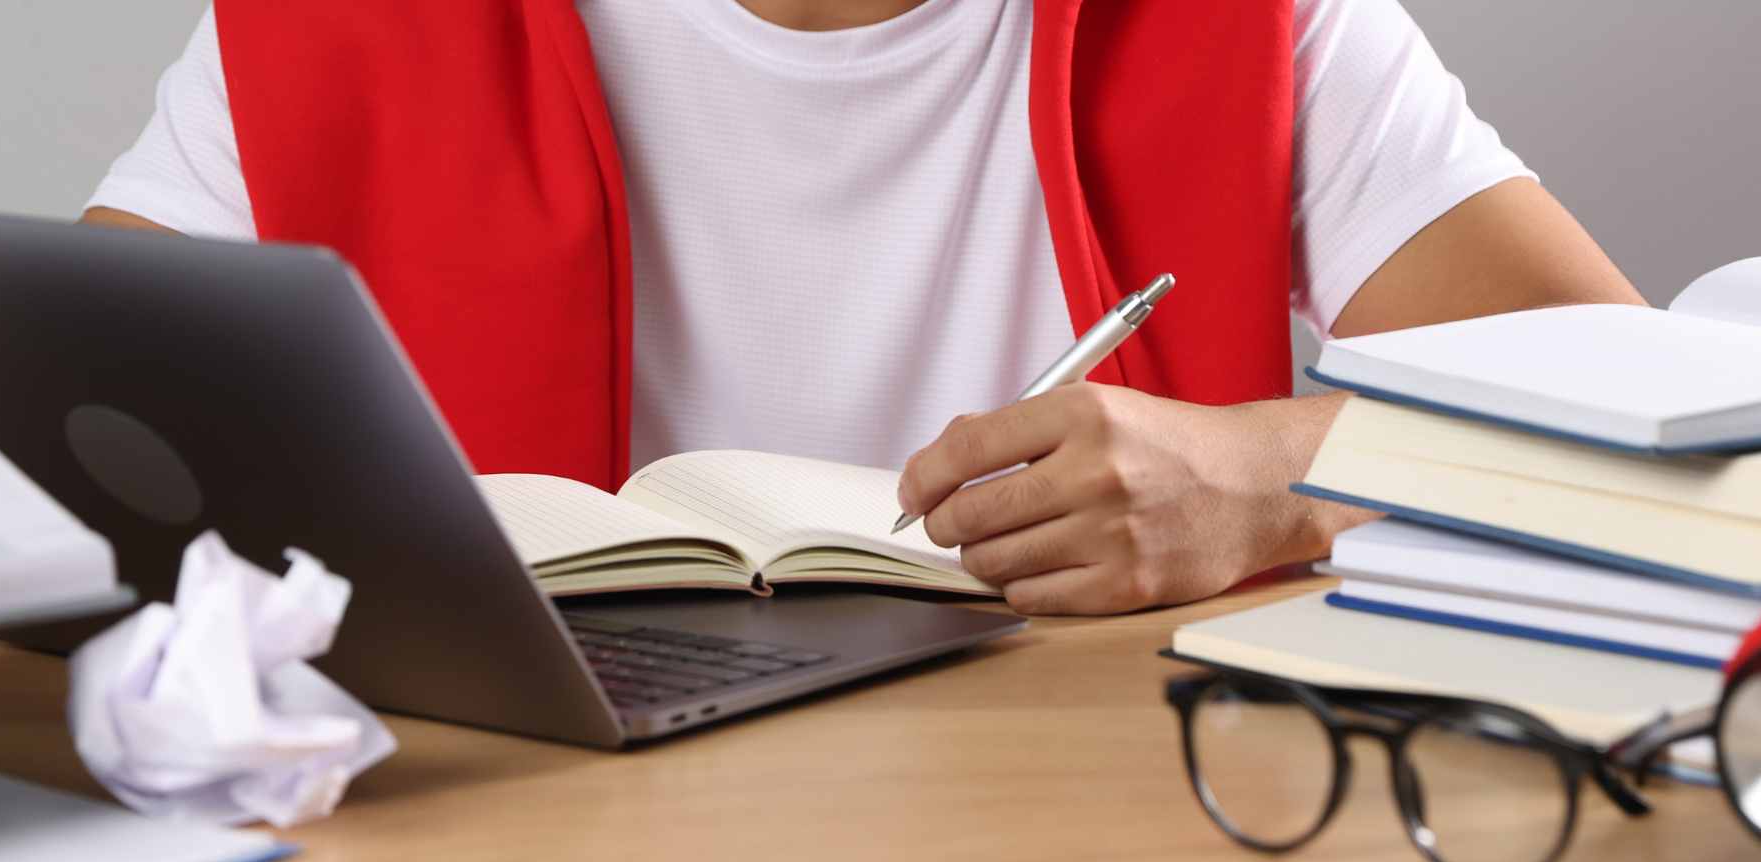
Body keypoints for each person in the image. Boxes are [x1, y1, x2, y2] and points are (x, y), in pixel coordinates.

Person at [83, 0, 1643, 615]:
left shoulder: (1259, 22)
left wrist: (1275, 483)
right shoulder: (333, 23)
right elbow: (45, 456)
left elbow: (1662, 456)